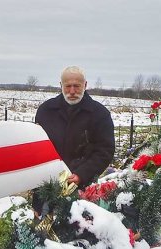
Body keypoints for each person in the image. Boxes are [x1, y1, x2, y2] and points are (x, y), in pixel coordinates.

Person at [33, 66, 115, 215]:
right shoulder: (45, 111)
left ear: (85, 85)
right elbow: (36, 146)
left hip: (83, 186)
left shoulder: (99, 114)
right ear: (61, 85)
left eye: (76, 86)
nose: (72, 91)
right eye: (68, 86)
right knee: (41, 229)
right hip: (46, 185)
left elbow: (105, 150)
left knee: (76, 229)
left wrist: (81, 174)